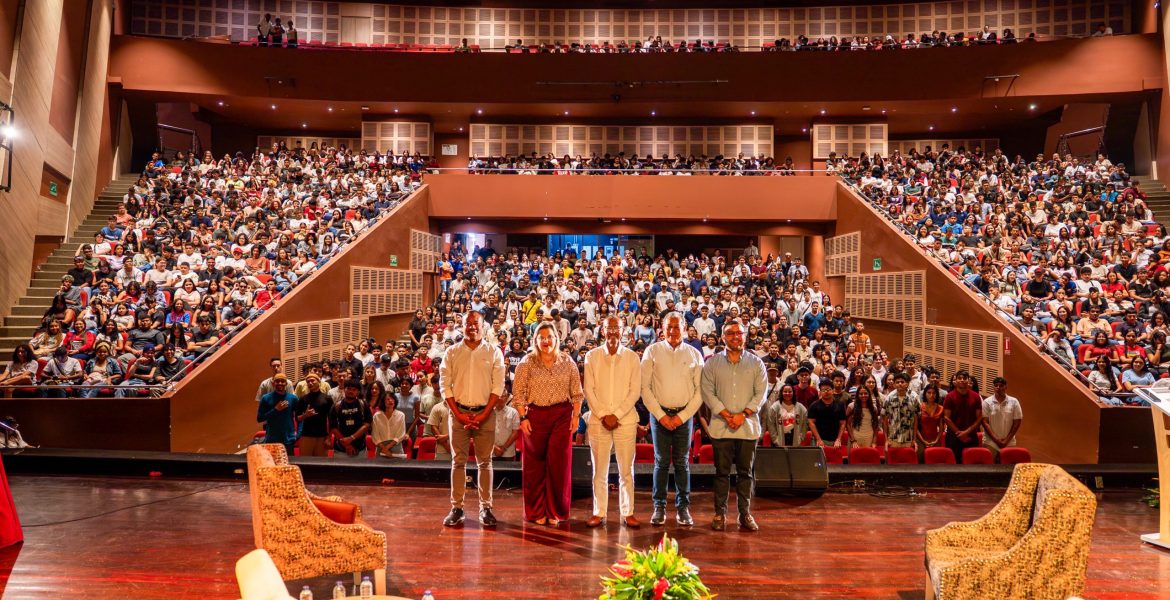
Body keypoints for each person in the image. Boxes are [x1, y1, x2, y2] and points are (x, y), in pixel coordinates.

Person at [513, 321, 584, 526]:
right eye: (541, 337)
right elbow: (518, 394)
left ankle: (556, 511)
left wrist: (576, 417)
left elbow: (577, 393)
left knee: (559, 464)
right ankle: (536, 512)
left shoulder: (568, 361)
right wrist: (522, 417)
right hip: (535, 417)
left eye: (549, 337)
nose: (546, 341)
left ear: (557, 339)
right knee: (534, 465)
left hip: (562, 416)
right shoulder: (526, 363)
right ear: (535, 340)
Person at [439, 311, 506, 527]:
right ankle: (456, 508)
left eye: (475, 323)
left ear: (483, 326)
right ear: (462, 326)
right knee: (458, 462)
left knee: (485, 463)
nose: (472, 327)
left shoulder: (494, 352)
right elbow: (444, 385)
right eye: (468, 324)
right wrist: (458, 414)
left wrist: (484, 413)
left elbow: (498, 386)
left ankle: (486, 508)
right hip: (458, 413)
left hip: (485, 414)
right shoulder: (452, 352)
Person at [701, 318, 767, 531]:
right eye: (730, 333)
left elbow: (761, 393)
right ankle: (720, 514)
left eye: (739, 333)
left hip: (747, 428)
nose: (735, 337)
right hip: (721, 427)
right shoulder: (712, 363)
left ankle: (744, 514)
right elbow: (707, 392)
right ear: (722, 337)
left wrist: (743, 414)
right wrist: (728, 414)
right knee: (721, 473)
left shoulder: (756, 363)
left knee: (745, 474)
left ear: (745, 336)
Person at [640, 312, 704, 527]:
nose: (674, 331)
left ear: (684, 329)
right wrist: (661, 416)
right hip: (659, 416)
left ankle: (683, 508)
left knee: (682, 463)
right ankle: (659, 507)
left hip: (684, 416)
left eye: (677, 327)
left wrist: (682, 417)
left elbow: (700, 392)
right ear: (663, 328)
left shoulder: (695, 354)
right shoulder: (652, 351)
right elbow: (644, 388)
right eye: (670, 327)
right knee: (660, 461)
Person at [583, 315, 642, 528]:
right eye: (609, 328)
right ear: (602, 330)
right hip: (599, 421)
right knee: (600, 470)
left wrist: (616, 414)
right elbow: (588, 390)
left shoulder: (632, 357)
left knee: (627, 470)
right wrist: (603, 414)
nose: (613, 332)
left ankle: (628, 512)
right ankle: (599, 512)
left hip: (625, 420)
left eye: (617, 328)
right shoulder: (592, 356)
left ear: (623, 330)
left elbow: (635, 391)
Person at [943, 370, 983, 463]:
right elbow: (946, 418)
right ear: (955, 381)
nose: (962, 380)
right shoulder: (949, 396)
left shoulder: (976, 396)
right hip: (953, 436)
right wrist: (959, 434)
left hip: (971, 436)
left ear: (968, 380)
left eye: (964, 378)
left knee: (972, 464)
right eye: (959, 378)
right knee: (953, 465)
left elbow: (979, 418)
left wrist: (966, 432)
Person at [981, 377, 1022, 460]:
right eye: (996, 386)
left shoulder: (1014, 401)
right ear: (993, 387)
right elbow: (985, 423)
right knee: (989, 470)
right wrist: (997, 440)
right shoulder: (987, 402)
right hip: (990, 443)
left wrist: (1006, 441)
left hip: (1009, 443)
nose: (998, 388)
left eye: (1001, 386)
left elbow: (1017, 422)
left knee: (1008, 470)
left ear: (1006, 387)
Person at [257, 373, 300, 454]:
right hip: (272, 439)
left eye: (282, 381)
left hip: (289, 439)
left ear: (286, 383)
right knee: (272, 465)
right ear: (273, 383)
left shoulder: (293, 398)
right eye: (277, 381)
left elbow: (299, 418)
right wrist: (276, 409)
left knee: (288, 464)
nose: (280, 383)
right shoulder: (266, 398)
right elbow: (259, 418)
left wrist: (298, 433)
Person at [329, 380, 371, 458]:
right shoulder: (336, 406)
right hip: (340, 448)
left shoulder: (363, 404)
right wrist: (347, 445)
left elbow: (367, 424)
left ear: (358, 392)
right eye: (348, 388)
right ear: (344, 389)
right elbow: (333, 427)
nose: (351, 391)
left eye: (354, 389)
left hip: (360, 448)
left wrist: (352, 438)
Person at [296, 372, 332, 457]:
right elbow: (297, 419)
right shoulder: (303, 399)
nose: (310, 383)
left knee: (321, 465)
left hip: (322, 437)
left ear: (319, 381)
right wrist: (305, 415)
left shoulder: (327, 399)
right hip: (306, 436)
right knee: (305, 464)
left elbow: (332, 420)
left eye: (312, 380)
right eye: (308, 382)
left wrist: (329, 437)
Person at [881, 372, 919, 449]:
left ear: (907, 384)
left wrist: (914, 439)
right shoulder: (889, 398)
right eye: (897, 382)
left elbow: (916, 420)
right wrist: (886, 440)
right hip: (893, 438)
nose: (900, 384)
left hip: (909, 438)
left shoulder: (914, 397)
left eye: (902, 382)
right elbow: (884, 420)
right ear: (894, 384)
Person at [807, 380, 846, 447]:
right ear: (820, 392)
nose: (826, 392)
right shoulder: (814, 405)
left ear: (833, 390)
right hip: (818, 440)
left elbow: (842, 423)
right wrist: (819, 440)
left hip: (835, 441)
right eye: (823, 390)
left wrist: (838, 439)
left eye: (828, 389)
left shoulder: (840, 404)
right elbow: (811, 423)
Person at [915, 385, 946, 461]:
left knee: (935, 461)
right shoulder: (920, 407)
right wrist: (923, 441)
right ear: (925, 394)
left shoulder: (941, 408)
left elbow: (941, 427)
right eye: (929, 393)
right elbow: (915, 426)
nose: (931, 395)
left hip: (935, 439)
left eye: (934, 393)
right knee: (921, 460)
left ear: (937, 394)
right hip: (920, 439)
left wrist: (936, 440)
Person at [492, 394, 521, 460]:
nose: (500, 398)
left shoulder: (513, 412)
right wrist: (494, 448)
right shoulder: (489, 412)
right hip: (491, 452)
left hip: (508, 453)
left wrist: (503, 448)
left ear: (507, 398)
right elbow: (484, 433)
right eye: (498, 396)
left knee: (507, 470)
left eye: (503, 396)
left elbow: (515, 433)